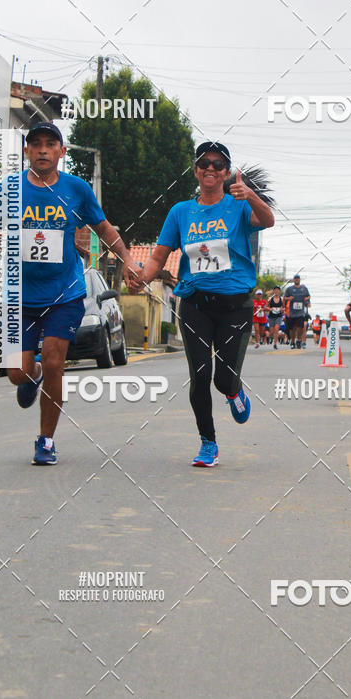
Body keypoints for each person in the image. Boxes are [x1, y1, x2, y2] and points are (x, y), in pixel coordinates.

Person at [0, 123, 140, 466]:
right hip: (18, 295)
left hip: (64, 294)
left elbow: (103, 227)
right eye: (36, 144)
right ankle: (33, 372)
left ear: (61, 152)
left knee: (56, 363)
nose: (42, 149)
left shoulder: (76, 189)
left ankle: (46, 440)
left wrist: (127, 258)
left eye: (50, 144)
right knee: (17, 373)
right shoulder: (9, 188)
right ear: (27, 151)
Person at [130, 141, 274, 467]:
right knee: (199, 375)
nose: (211, 168)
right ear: (195, 170)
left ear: (226, 172)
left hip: (235, 306)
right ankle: (208, 443)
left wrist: (250, 195)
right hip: (195, 303)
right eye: (204, 163)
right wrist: (142, 278)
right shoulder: (180, 212)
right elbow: (158, 257)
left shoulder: (239, 206)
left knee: (223, 379)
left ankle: (234, 391)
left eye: (218, 164)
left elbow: (268, 220)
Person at [284, 274, 310, 349]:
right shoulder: (289, 289)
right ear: (293, 280)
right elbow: (284, 298)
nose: (297, 279)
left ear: (299, 279)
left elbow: (308, 296)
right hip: (292, 312)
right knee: (292, 328)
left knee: (300, 327)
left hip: (300, 312)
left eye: (298, 278)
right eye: (295, 278)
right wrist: (289, 298)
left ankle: (298, 340)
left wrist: (306, 299)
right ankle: (292, 342)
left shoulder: (304, 288)